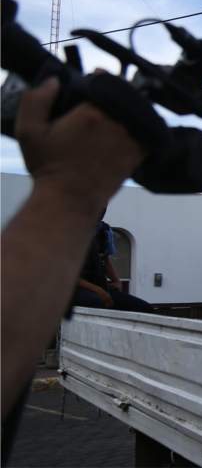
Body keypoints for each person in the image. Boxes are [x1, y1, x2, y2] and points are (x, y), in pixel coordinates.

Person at [0, 77, 147, 456]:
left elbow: (104, 259)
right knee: (94, 302)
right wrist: (65, 189)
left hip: (87, 283)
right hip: (73, 289)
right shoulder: (68, 230)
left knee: (141, 309)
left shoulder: (101, 230)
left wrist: (113, 283)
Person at [72, 218, 153, 313]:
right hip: (67, 290)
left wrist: (116, 281)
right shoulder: (64, 228)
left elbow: (104, 259)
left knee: (144, 308)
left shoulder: (104, 230)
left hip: (96, 287)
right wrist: (97, 290)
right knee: (94, 302)